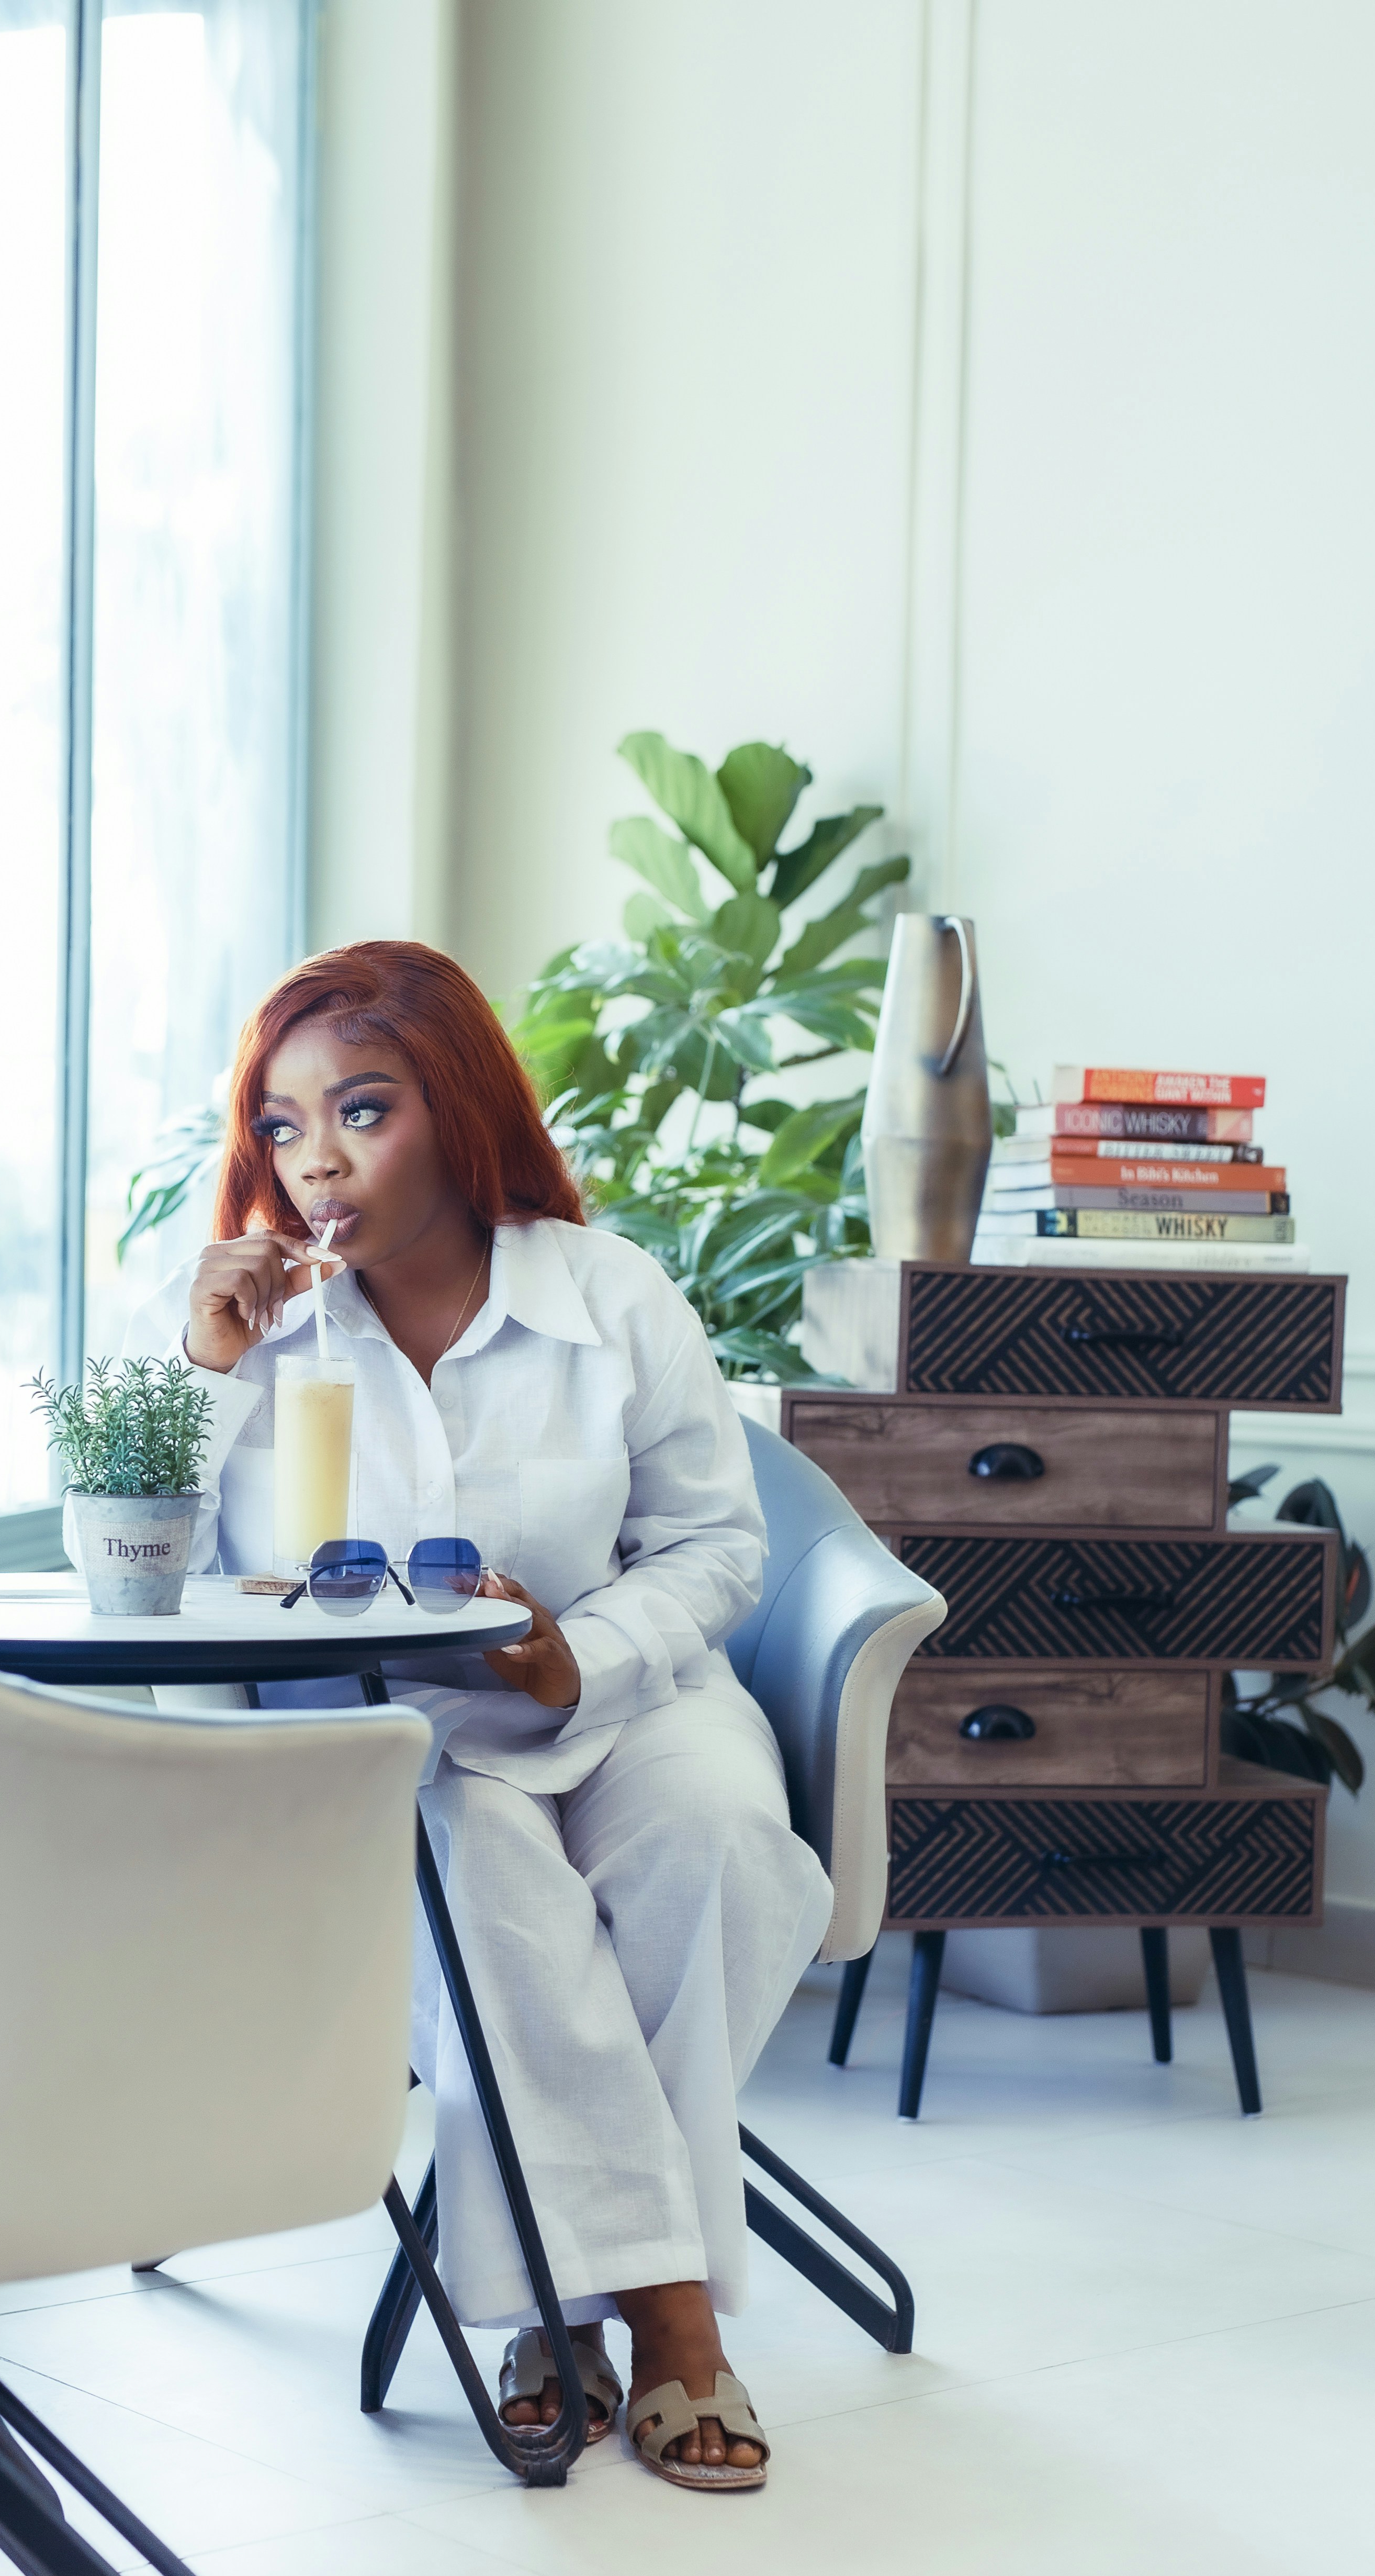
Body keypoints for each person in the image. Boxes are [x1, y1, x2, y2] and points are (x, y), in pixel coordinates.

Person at [125, 940, 834, 2490]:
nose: (317, 1162)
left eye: (362, 1112)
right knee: (491, 1892)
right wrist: (205, 1372)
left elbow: (719, 1546)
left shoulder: (611, 1294)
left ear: (452, 1106)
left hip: (629, 1694)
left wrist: (579, 1653)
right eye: (285, 1124)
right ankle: (668, 2326)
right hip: (419, 1740)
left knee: (724, 1842)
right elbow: (147, 1576)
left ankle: (545, 2311)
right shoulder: (263, 1334)